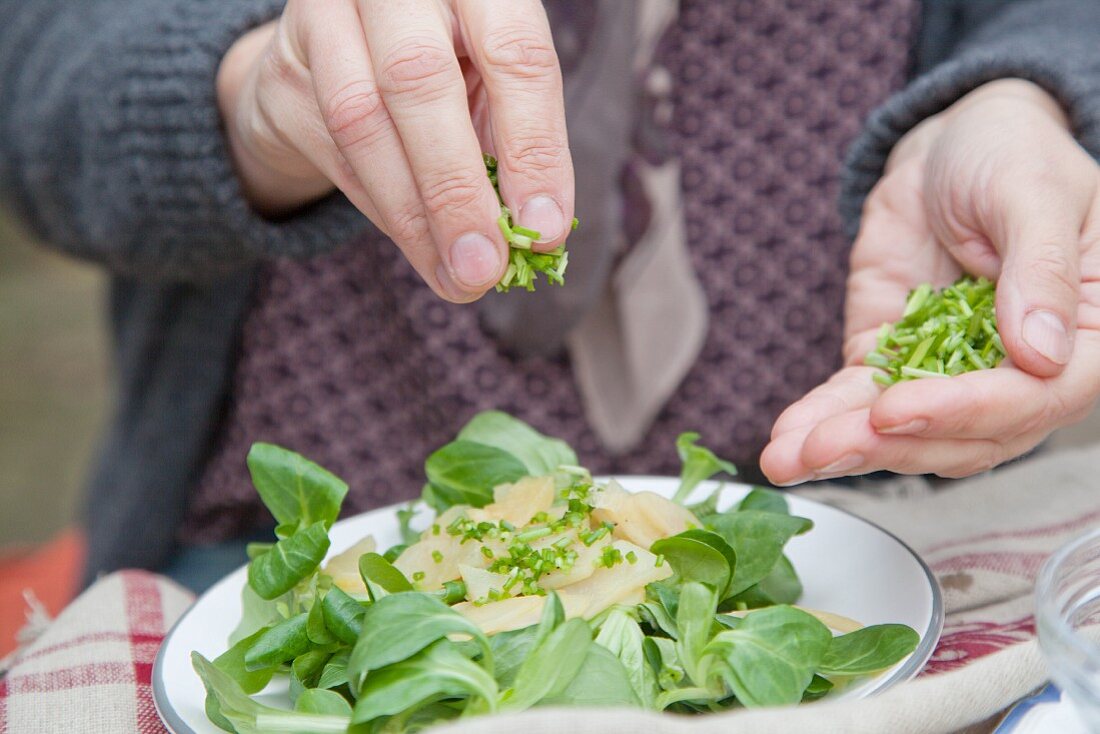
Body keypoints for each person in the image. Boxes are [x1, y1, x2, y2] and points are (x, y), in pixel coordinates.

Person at [2, 0, 1098, 590]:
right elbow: (38, 77)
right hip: (299, 565)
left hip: (842, 545)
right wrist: (249, 95)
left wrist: (1023, 91)